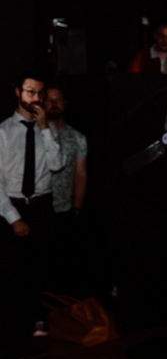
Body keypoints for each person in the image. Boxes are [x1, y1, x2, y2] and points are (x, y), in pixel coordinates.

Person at [0, 72, 65, 359]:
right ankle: (6, 345)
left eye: (39, 93)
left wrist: (44, 129)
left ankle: (25, 342)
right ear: (18, 92)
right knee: (11, 281)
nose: (36, 99)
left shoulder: (47, 129)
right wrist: (14, 219)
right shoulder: (3, 131)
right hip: (12, 208)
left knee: (34, 280)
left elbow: (57, 164)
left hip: (42, 209)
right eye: (30, 92)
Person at [43, 83, 88, 294]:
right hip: (39, 209)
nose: (53, 103)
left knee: (66, 266)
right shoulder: (34, 134)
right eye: (49, 99)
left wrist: (76, 209)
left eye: (57, 99)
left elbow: (80, 174)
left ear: (65, 104)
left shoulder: (78, 137)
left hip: (64, 210)